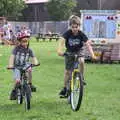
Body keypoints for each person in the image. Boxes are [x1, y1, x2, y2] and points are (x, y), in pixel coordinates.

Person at [57, 15, 96, 98]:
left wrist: (92, 55)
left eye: (76, 27)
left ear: (79, 26)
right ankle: (64, 88)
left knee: (81, 60)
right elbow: (61, 41)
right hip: (69, 52)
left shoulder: (81, 34)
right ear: (70, 26)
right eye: (73, 27)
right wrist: (59, 50)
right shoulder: (68, 33)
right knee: (68, 72)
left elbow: (88, 44)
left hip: (79, 51)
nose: (74, 29)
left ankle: (81, 77)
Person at [8, 32, 39, 100]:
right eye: (23, 41)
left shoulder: (29, 50)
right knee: (17, 81)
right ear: (19, 42)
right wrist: (10, 65)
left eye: (26, 41)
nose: (25, 43)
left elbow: (34, 58)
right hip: (17, 66)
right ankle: (14, 91)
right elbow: (12, 57)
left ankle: (30, 84)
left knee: (30, 69)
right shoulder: (16, 49)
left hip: (25, 65)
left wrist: (36, 62)